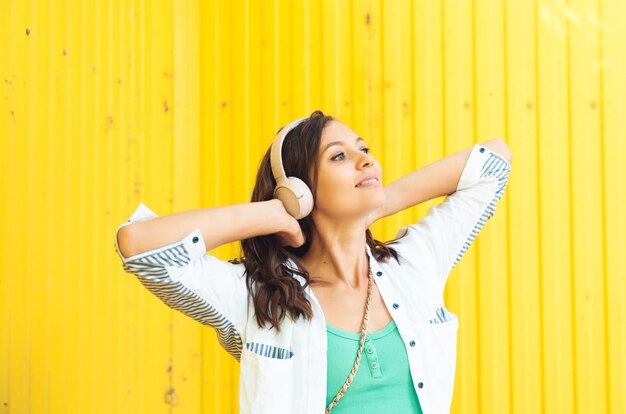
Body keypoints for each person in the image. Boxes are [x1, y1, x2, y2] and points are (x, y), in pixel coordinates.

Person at [114, 110, 512, 414]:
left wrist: (381, 202)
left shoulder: (413, 266)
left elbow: (494, 162)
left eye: (364, 150)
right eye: (339, 157)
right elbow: (138, 244)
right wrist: (270, 215)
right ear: (299, 190)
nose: (365, 160)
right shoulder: (260, 298)